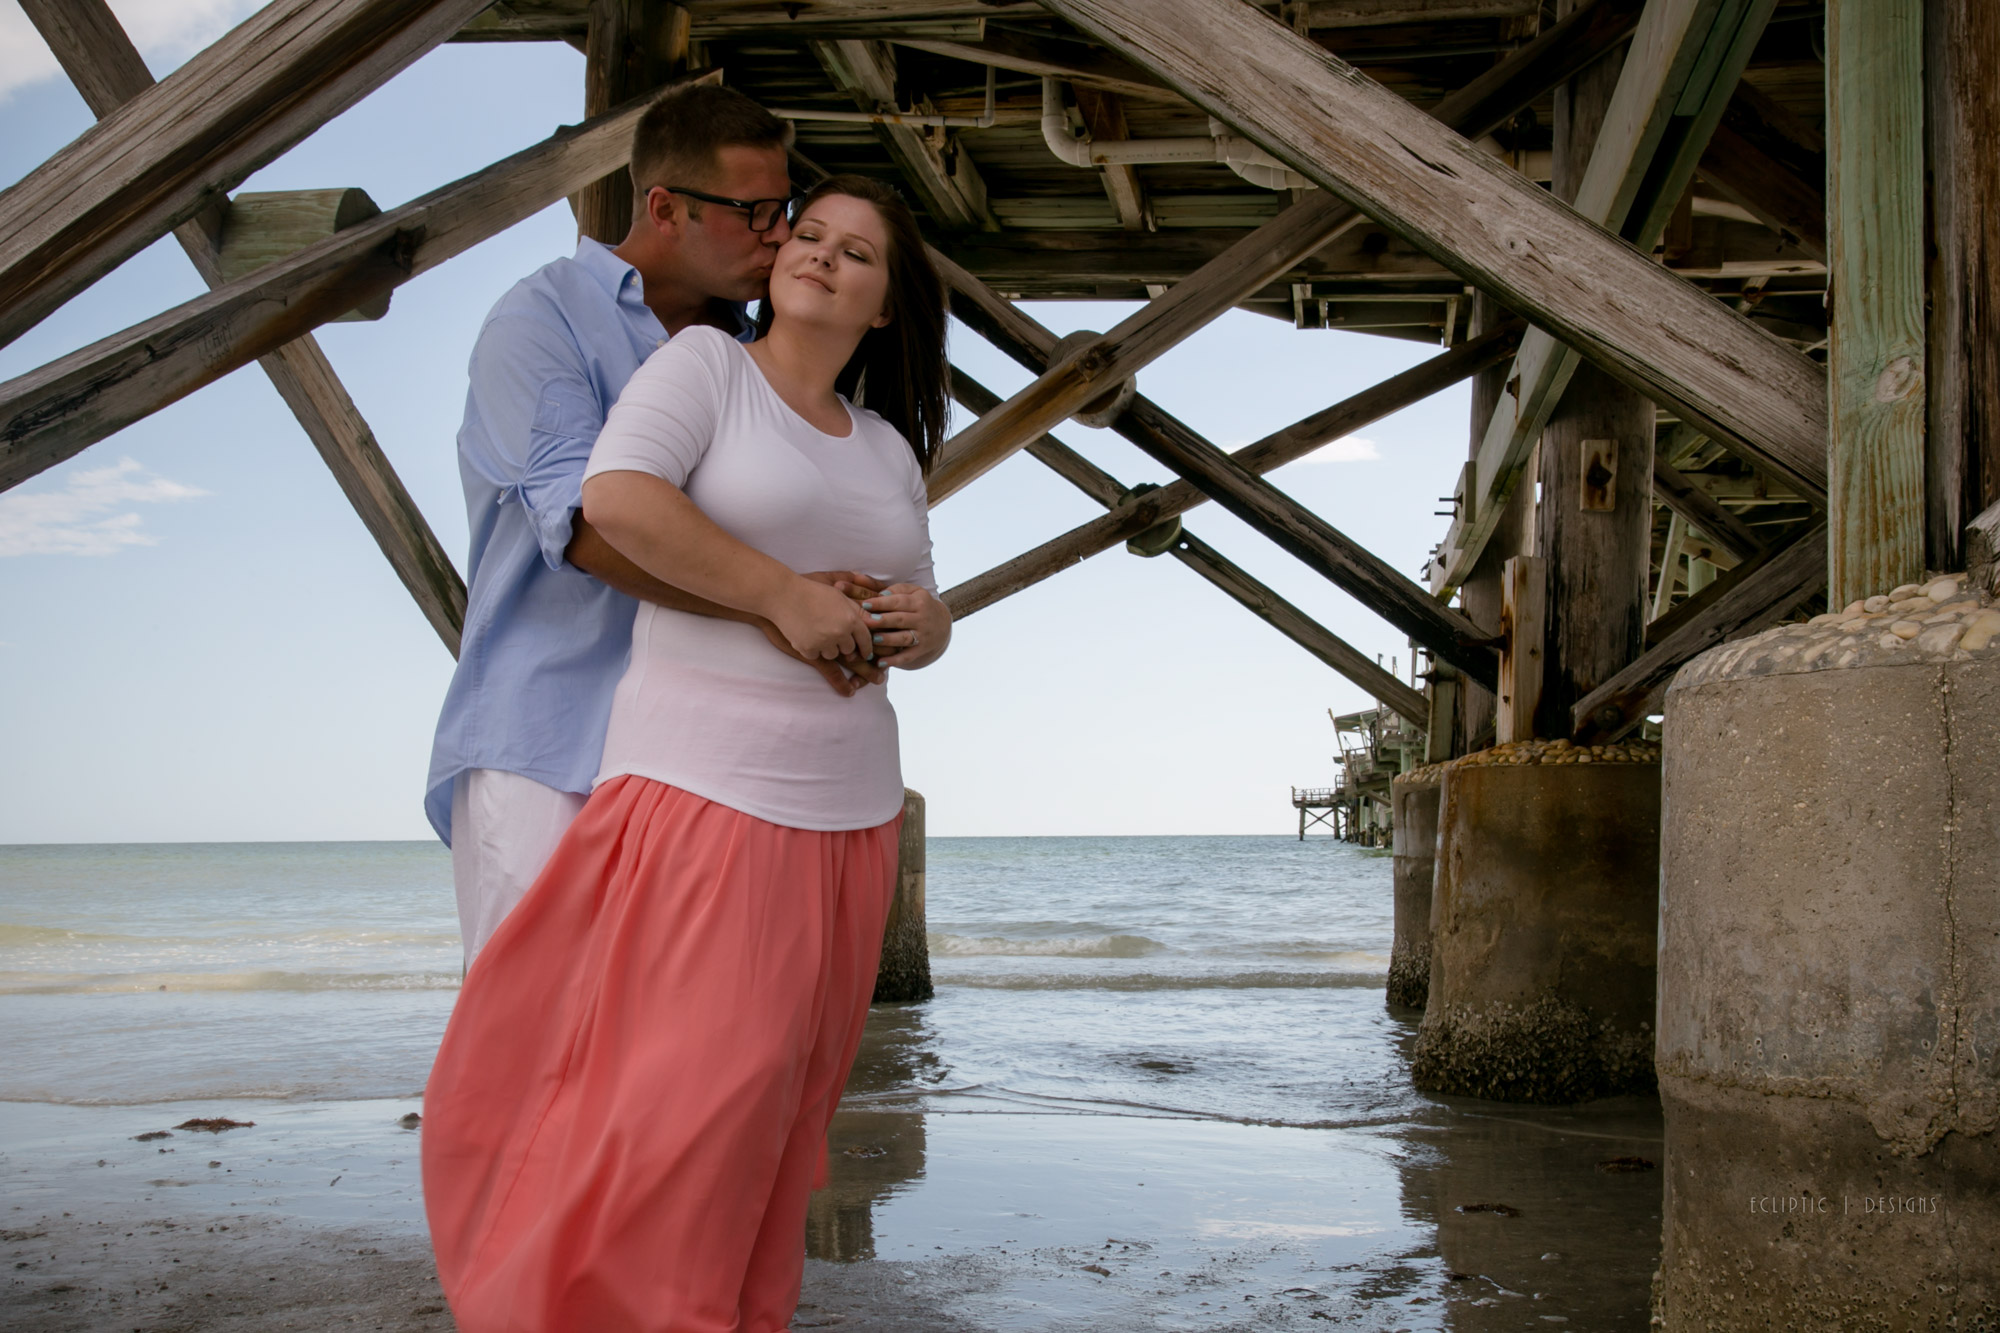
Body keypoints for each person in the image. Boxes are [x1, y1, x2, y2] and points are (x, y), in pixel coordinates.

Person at [421, 174, 953, 1333]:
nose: (819, 254)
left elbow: (915, 589)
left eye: (856, 252)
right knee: (692, 1098)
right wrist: (781, 598)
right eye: (808, 233)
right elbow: (614, 501)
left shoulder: (885, 446)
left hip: (851, 810)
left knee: (777, 1112)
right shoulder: (706, 367)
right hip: (705, 786)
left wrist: (928, 625)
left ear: (884, 305)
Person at [426, 83, 886, 967]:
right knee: (534, 1017)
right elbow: (588, 530)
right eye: (755, 212)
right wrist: (775, 603)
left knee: (668, 1031)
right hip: (552, 734)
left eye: (785, 209)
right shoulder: (543, 319)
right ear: (666, 208)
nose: (779, 236)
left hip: (707, 755)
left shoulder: (760, 350)